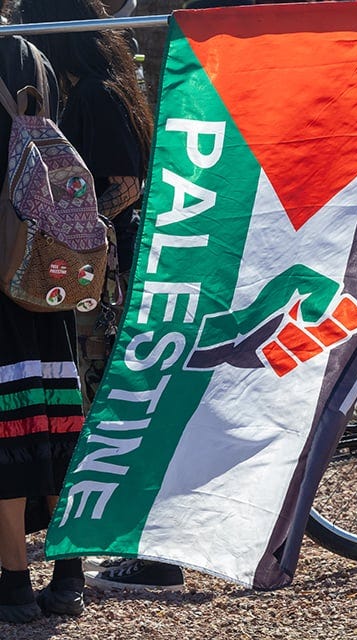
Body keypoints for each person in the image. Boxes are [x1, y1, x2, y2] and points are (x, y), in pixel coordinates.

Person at [20, 0, 184, 592]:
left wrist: (71, 235)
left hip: (109, 280)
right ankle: (120, 541)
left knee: (117, 407)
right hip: (107, 272)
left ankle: (152, 552)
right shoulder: (103, 88)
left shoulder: (95, 94)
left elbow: (124, 185)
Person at [0, 20, 87, 621]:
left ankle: (11, 584)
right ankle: (69, 574)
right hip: (46, 270)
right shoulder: (37, 56)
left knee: (6, 429)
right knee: (53, 420)